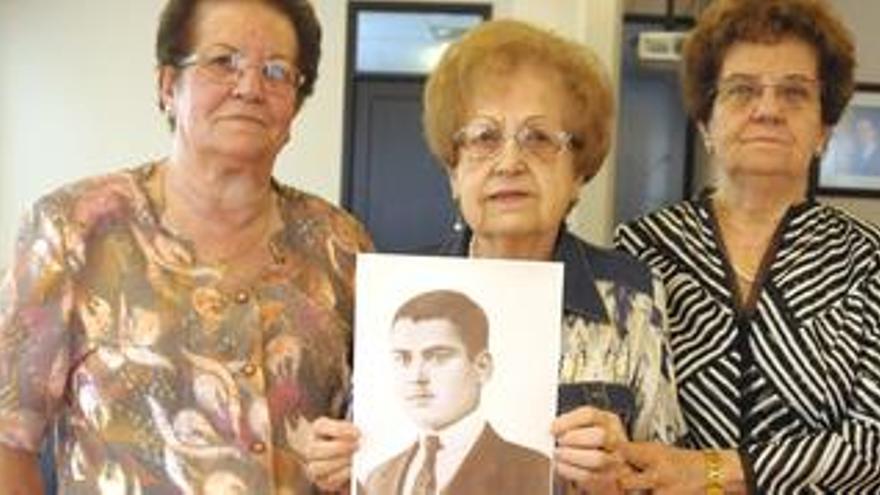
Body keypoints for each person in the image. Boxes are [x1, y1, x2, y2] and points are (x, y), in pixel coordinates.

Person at [0, 0, 372, 493]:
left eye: (277, 71)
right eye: (223, 62)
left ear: (295, 105)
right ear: (167, 85)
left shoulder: (340, 246)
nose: (250, 88)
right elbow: (9, 438)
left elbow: (380, 429)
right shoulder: (74, 228)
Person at [305, 19, 685, 495]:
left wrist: (621, 477)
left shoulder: (631, 297)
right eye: (484, 138)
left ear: (579, 173)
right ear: (453, 172)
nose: (509, 163)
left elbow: (670, 475)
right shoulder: (396, 292)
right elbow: (363, 460)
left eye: (539, 138)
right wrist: (336, 472)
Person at [614, 0, 880, 493]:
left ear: (823, 128)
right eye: (741, 90)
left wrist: (709, 471)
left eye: (795, 93)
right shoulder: (638, 251)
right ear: (704, 123)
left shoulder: (866, 261)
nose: (768, 109)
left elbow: (872, 445)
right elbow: (617, 416)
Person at [362, 289, 550, 495]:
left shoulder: (536, 473)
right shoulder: (377, 479)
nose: (417, 377)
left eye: (438, 357)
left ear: (482, 367)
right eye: (403, 359)